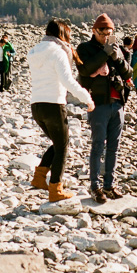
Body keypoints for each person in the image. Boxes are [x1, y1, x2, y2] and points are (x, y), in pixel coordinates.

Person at [27, 19, 95, 202]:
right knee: (63, 146)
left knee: (58, 143)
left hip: (36, 106)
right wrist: (87, 98)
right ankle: (55, 189)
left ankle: (39, 178)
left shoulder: (34, 51)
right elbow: (67, 81)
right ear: (62, 35)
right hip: (53, 105)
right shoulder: (58, 52)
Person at [76, 13, 134, 204]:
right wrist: (105, 52)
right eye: (103, 33)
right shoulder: (85, 48)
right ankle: (95, 187)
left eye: (110, 33)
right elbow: (84, 69)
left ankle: (109, 185)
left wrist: (116, 57)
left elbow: (128, 72)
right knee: (97, 145)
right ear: (94, 31)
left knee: (114, 147)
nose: (106, 37)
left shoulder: (116, 48)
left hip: (117, 103)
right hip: (98, 104)